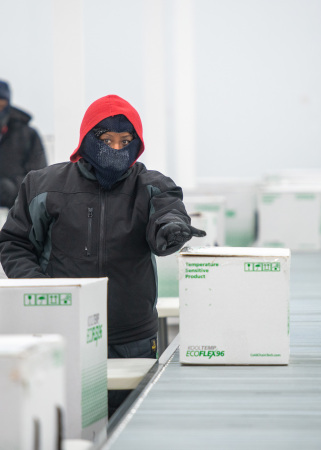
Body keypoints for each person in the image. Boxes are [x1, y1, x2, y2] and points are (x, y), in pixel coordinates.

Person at [0, 94, 206, 416]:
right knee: (68, 423)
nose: (114, 149)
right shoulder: (43, 185)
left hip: (133, 337)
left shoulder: (149, 185)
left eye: (125, 141)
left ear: (136, 145)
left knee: (133, 429)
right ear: (86, 138)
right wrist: (42, 289)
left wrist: (172, 230)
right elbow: (14, 243)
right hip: (62, 329)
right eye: (105, 139)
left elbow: (167, 214)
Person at [0, 80, 47, 208]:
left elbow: (40, 176)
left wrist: (11, 188)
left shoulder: (28, 135)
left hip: (17, 213)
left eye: (1, 104)